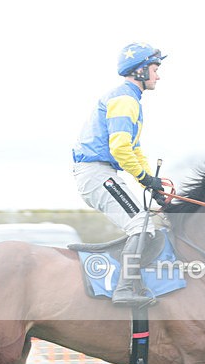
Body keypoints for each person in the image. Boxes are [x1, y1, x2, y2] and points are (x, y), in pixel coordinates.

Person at [72, 42, 167, 306]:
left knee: (146, 223)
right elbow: (120, 147)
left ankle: (132, 283)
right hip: (96, 172)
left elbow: (133, 150)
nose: (158, 75)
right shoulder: (125, 100)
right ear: (139, 71)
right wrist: (145, 179)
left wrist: (152, 185)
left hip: (100, 171)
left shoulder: (130, 100)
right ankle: (124, 290)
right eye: (155, 69)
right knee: (141, 224)